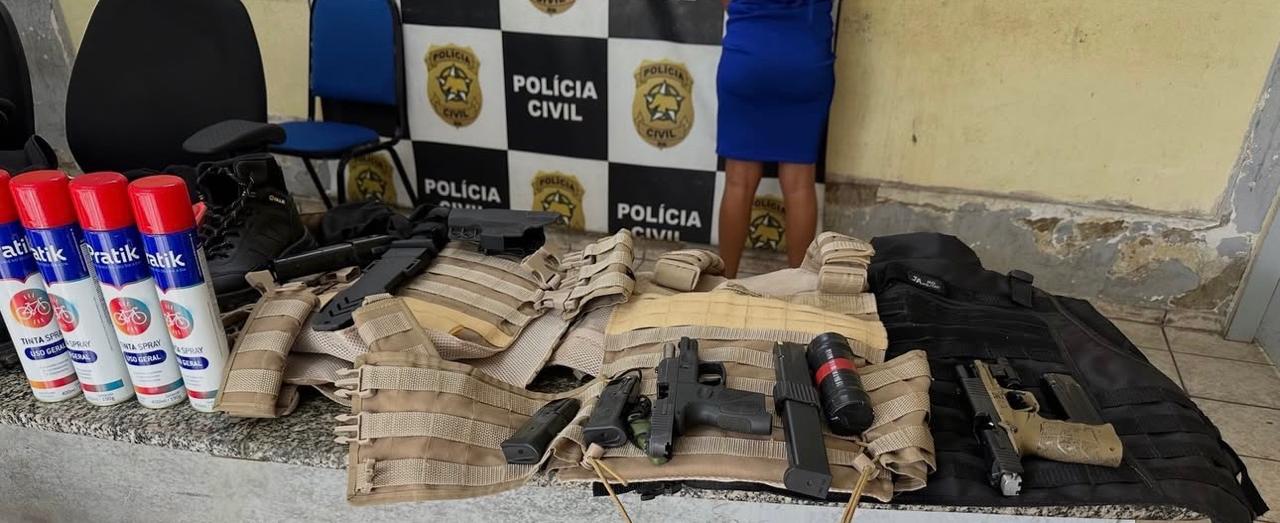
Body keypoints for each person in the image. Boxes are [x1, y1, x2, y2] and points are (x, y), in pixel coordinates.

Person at [716, 0, 834, 277]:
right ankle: (798, 288)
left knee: (738, 182)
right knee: (799, 184)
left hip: (748, 56)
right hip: (805, 60)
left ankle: (723, 285)